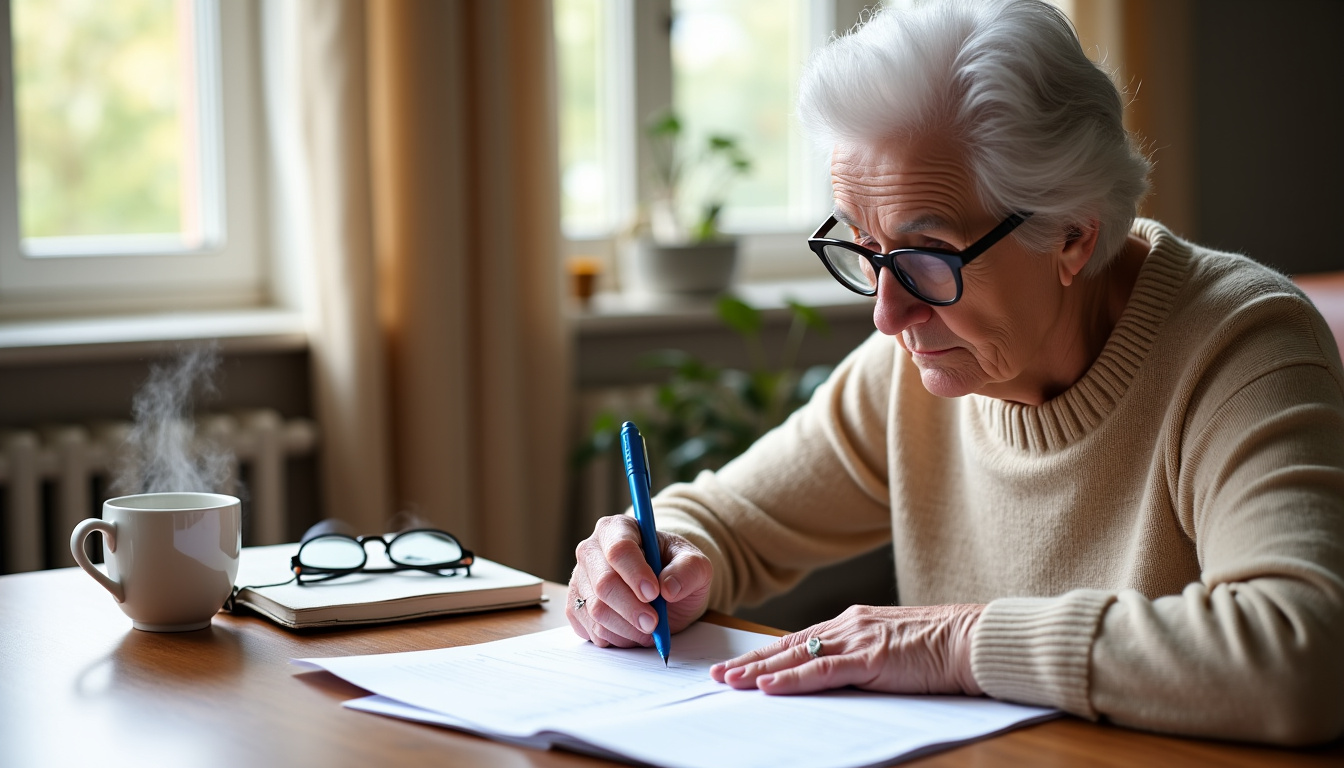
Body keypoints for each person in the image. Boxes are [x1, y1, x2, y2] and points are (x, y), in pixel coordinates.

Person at [566, 0, 1344, 745]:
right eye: (866, 252)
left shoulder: (1240, 344)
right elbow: (728, 522)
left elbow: (1305, 652)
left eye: (926, 258)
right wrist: (649, 557)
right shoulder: (915, 369)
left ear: (1073, 236)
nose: (886, 316)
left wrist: (958, 640)